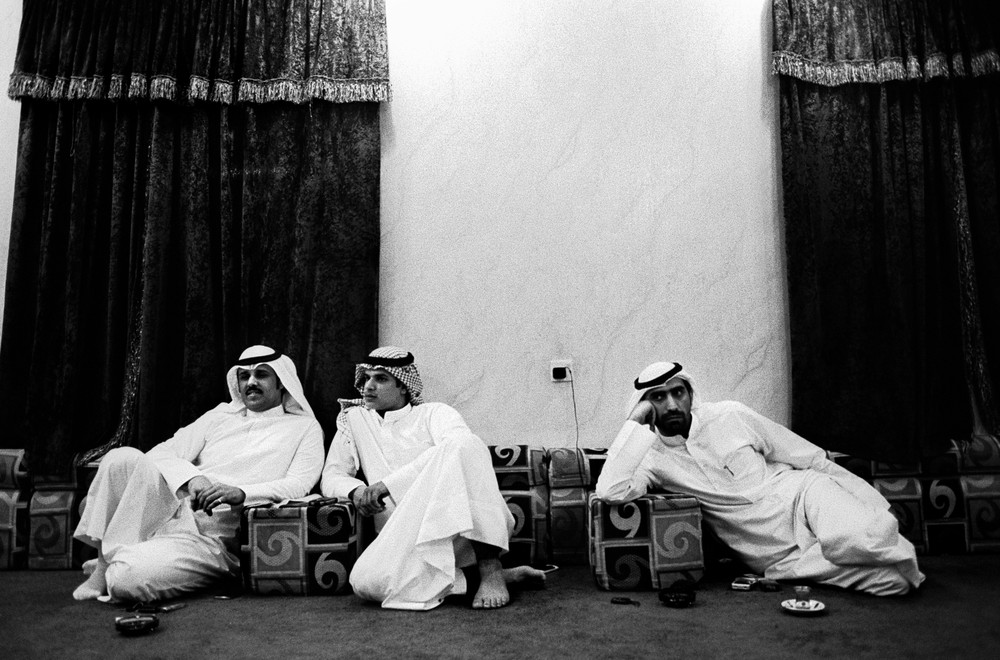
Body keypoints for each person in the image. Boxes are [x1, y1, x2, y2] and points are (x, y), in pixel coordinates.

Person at [595, 361, 925, 596]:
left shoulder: (730, 415)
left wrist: (868, 498)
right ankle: (882, 554)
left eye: (678, 392)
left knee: (857, 537)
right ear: (645, 405)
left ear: (690, 394)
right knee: (895, 582)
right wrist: (635, 422)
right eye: (658, 397)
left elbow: (807, 456)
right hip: (772, 551)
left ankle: (870, 538)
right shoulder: (650, 458)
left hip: (802, 495)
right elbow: (611, 490)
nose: (671, 405)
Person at [72, 345, 325, 603]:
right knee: (121, 458)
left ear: (281, 382)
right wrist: (193, 478)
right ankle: (104, 564)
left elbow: (300, 484)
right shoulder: (220, 416)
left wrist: (241, 493)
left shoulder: (305, 428)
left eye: (261, 375)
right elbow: (160, 452)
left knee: (125, 580)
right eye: (244, 376)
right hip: (168, 511)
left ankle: (120, 555)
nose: (251, 382)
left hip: (213, 540)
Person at [321, 346, 545, 610]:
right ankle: (484, 578)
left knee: (466, 444)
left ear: (403, 386)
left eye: (381, 379)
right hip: (401, 530)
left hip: (455, 523)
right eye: (367, 378)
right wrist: (357, 491)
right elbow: (333, 474)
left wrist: (386, 485)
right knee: (365, 582)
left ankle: (491, 569)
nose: (368, 386)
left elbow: (461, 447)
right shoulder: (354, 419)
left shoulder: (435, 413)